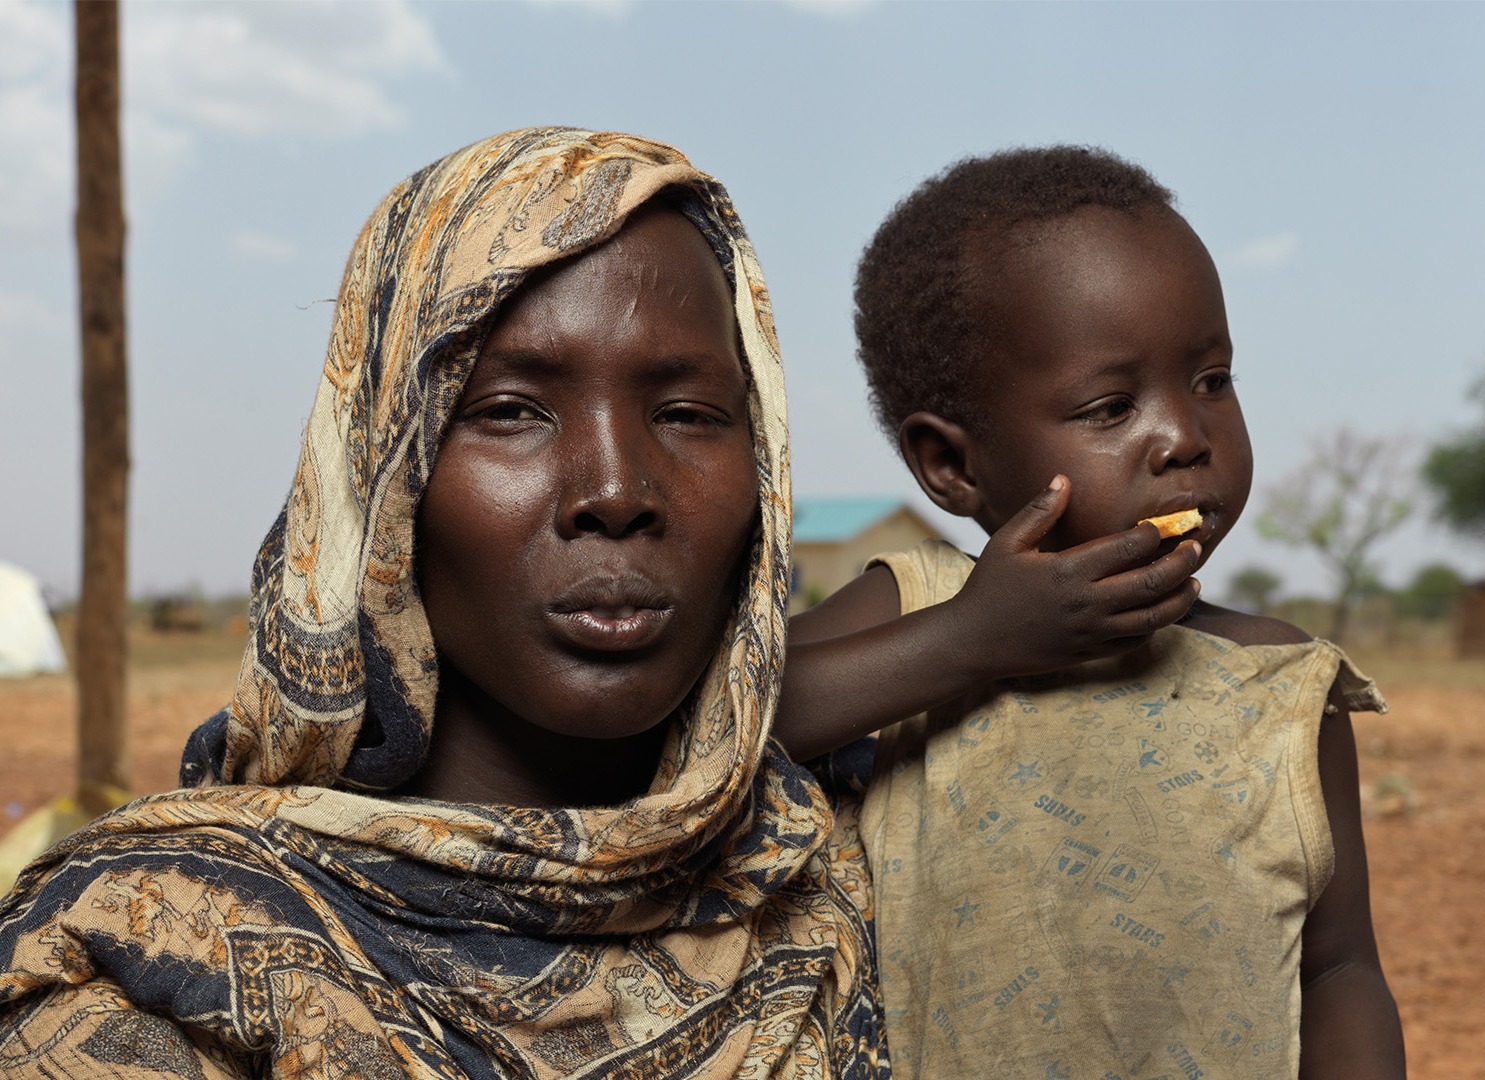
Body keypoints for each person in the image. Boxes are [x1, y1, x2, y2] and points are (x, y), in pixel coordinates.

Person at [0, 128, 888, 1079]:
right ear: (381, 484)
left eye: (687, 415)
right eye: (510, 412)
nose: (619, 489)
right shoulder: (139, 955)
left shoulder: (852, 853)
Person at [776, 147, 1405, 1078]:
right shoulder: (921, 607)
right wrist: (972, 640)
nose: (1186, 437)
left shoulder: (1281, 687)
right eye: (1113, 406)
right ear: (953, 466)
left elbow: (1341, 965)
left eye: (1213, 381)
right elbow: (740, 723)